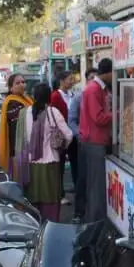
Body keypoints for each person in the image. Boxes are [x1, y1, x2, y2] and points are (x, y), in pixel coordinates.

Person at [21, 83, 73, 222]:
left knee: (34, 198)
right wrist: (60, 149)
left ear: (33, 96)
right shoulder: (52, 112)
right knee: (50, 200)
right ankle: (50, 229)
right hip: (50, 163)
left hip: (30, 165)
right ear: (49, 96)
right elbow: (68, 135)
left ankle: (35, 227)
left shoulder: (25, 113)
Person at [79, 59, 113, 223]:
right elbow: (98, 118)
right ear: (107, 73)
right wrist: (118, 115)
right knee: (96, 185)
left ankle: (94, 219)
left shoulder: (99, 88)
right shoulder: (93, 90)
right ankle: (95, 222)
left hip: (97, 140)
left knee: (96, 184)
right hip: (94, 142)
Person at [68, 68, 97, 222]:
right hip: (84, 143)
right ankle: (79, 212)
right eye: (91, 77)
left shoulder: (103, 96)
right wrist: (80, 135)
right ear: (86, 79)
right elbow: (71, 120)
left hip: (99, 144)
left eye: (96, 77)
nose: (94, 80)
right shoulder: (79, 97)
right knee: (82, 178)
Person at [0, 74, 33, 174]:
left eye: (23, 82)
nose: (22, 85)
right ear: (10, 87)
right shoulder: (12, 102)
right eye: (17, 83)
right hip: (18, 146)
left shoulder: (26, 99)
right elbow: (18, 126)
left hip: (26, 144)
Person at [50, 71, 76, 205]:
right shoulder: (55, 96)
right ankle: (59, 194)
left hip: (73, 135)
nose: (72, 81)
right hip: (61, 137)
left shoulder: (72, 95)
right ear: (61, 80)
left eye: (73, 79)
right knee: (59, 166)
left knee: (75, 163)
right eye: (70, 79)